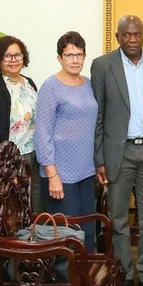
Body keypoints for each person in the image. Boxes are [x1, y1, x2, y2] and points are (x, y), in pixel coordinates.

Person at [91, 15, 143, 286]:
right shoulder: (102, 65)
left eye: (137, 35)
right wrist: (99, 156)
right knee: (119, 219)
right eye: (127, 35)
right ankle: (123, 276)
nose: (132, 40)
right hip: (118, 152)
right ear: (118, 37)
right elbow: (97, 113)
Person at [35, 31, 98, 252]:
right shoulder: (50, 87)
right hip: (61, 175)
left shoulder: (88, 84)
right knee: (66, 235)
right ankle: (68, 284)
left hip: (86, 172)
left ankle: (89, 280)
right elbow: (42, 133)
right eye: (69, 55)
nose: (75, 60)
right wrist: (52, 175)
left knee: (88, 230)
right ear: (59, 58)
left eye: (79, 55)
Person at [0, 35, 42, 212]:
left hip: (35, 153)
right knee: (17, 206)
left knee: (36, 202)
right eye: (7, 56)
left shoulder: (29, 83)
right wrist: (5, 166)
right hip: (13, 157)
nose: (13, 60)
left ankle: (39, 238)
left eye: (17, 55)